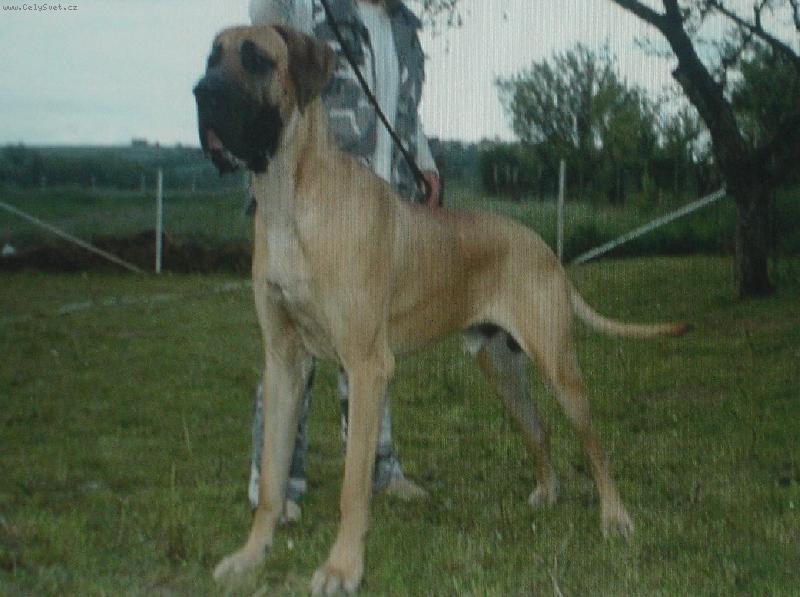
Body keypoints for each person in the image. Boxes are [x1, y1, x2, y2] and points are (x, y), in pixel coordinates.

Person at [247, 0, 442, 520]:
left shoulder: (404, 27)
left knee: (367, 345)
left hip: (381, 201)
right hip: (311, 199)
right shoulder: (311, 9)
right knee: (292, 346)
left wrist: (423, 162)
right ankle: (276, 481)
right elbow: (263, 27)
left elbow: (403, 108)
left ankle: (380, 467)